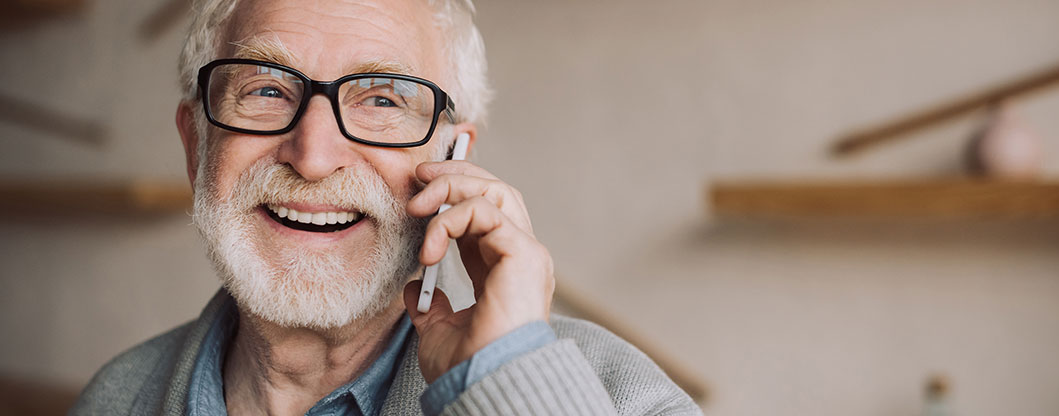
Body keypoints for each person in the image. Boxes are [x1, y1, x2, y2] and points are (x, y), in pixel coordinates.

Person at [71, 0, 701, 415]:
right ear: (197, 147)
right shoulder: (112, 399)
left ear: (455, 158)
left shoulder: (622, 396)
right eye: (265, 89)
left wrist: (508, 385)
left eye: (382, 100)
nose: (313, 156)